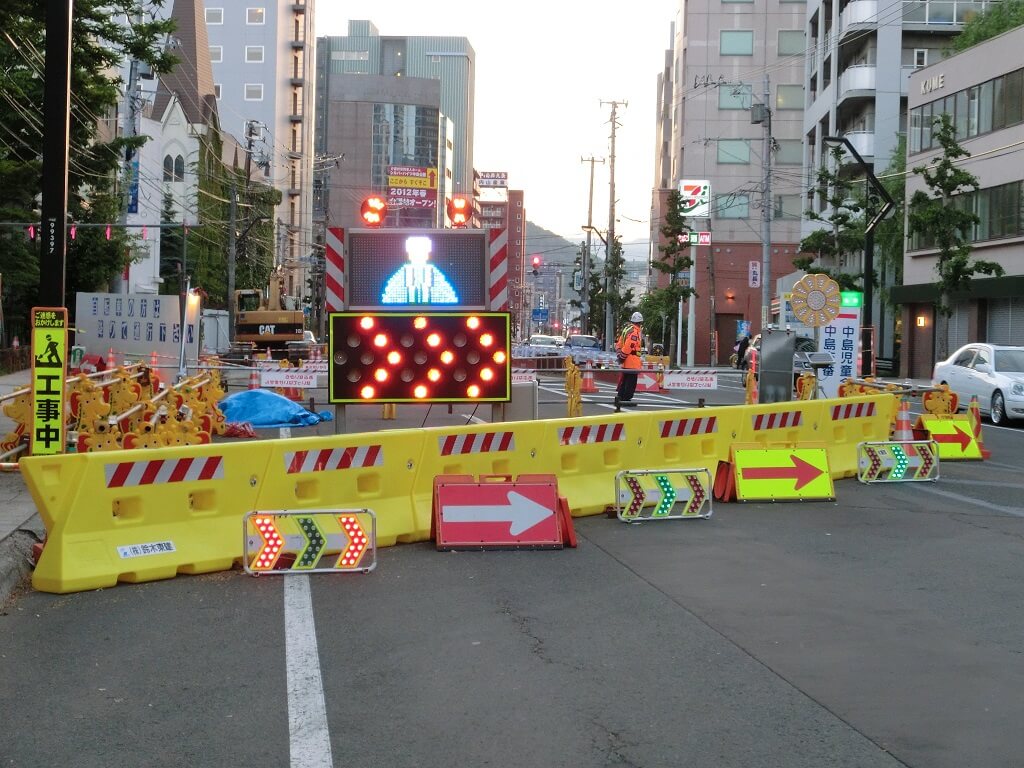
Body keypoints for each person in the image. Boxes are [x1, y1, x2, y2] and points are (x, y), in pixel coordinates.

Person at [614, 312, 644, 408]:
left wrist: (620, 355)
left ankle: (620, 397)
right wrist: (622, 356)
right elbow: (629, 346)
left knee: (625, 380)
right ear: (639, 323)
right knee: (631, 382)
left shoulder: (627, 329)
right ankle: (626, 399)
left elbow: (619, 344)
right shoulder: (634, 332)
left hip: (627, 360)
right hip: (632, 360)